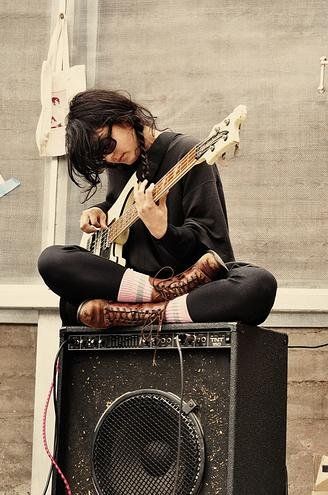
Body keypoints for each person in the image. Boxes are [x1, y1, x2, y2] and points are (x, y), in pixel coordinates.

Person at [38, 89, 277, 329]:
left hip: (190, 284)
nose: (111, 158)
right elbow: (116, 206)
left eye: (107, 144)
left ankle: (142, 314)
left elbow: (211, 244)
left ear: (122, 118)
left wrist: (163, 231)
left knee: (258, 285)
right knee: (52, 261)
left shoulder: (189, 153)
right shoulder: (118, 166)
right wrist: (98, 210)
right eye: (101, 158)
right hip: (134, 284)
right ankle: (156, 295)